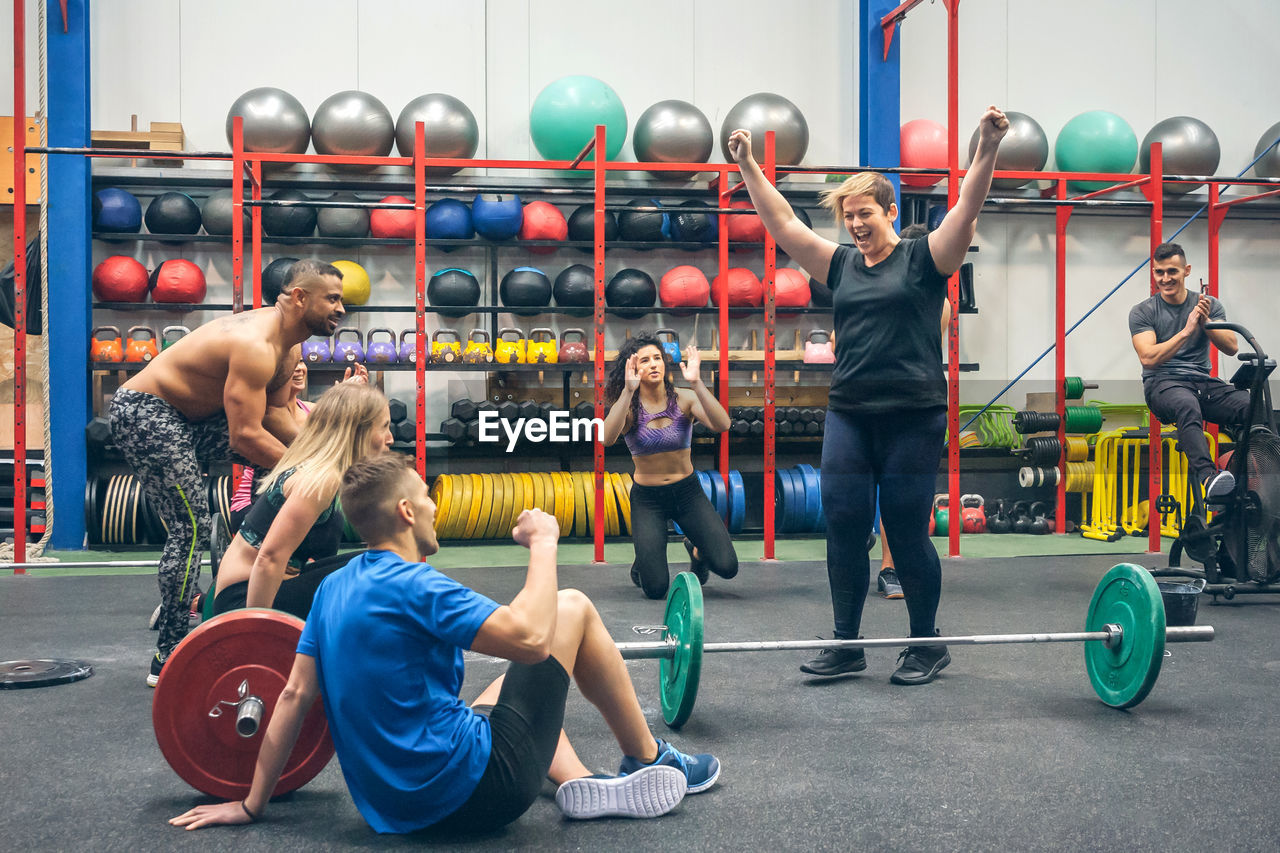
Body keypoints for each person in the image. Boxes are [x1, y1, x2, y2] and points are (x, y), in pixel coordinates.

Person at [170, 453, 719, 835]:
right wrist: (544, 542)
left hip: (394, 809)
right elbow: (530, 639)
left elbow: (291, 697)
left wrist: (250, 802)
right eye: (427, 497)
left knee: (496, 693)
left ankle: (581, 785)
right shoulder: (418, 585)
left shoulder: (333, 587)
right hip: (477, 793)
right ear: (406, 512)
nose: (434, 506)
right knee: (571, 607)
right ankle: (647, 759)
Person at [725, 106, 1008, 685]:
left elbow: (968, 207)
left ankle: (926, 644)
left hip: (914, 416)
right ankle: (846, 642)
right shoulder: (842, 265)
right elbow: (784, 226)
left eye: (864, 214)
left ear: (890, 212)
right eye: (847, 216)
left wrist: (986, 148)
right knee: (846, 524)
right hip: (850, 413)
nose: (854, 224)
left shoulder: (927, 258)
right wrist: (751, 167)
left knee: (905, 529)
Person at [110, 258, 349, 686]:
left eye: (341, 299)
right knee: (191, 528)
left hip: (194, 420)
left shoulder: (290, 347)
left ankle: (199, 593)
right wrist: (310, 475)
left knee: (302, 469)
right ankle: (168, 653)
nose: (341, 308)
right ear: (299, 297)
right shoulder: (256, 344)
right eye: (331, 298)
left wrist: (326, 458)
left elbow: (277, 416)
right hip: (146, 413)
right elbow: (244, 438)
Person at [210, 381, 393, 620]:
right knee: (380, 571)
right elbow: (268, 560)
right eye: (384, 427)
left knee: (384, 561)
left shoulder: (328, 473)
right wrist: (255, 630)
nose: (390, 437)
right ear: (358, 431)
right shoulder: (321, 479)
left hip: (269, 585)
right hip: (243, 598)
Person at [601, 333, 737, 600]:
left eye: (657, 358)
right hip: (648, 499)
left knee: (727, 566)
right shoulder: (629, 408)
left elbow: (723, 425)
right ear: (633, 368)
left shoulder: (685, 399)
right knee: (655, 589)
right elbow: (605, 439)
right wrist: (627, 392)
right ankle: (645, 556)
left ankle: (696, 551)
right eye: (645, 360)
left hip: (687, 494)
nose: (653, 364)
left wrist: (698, 384)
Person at [1128, 241, 1246, 502]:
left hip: (1203, 383)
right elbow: (1148, 358)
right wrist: (1186, 330)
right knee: (1186, 404)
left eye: (1172, 271)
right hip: (1162, 384)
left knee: (1252, 406)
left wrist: (1206, 323)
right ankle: (1209, 477)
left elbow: (1231, 347)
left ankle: (1254, 473)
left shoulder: (1209, 305)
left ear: (1187, 271)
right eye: (1159, 272)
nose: (1165, 278)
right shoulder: (1143, 312)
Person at [875, 223, 950, 600]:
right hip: (868, 405)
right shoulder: (877, 289)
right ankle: (887, 565)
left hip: (914, 406)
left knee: (905, 496)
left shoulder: (940, 301)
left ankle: (896, 566)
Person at [227, 359, 313, 537]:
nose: (298, 369)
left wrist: (350, 396)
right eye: (291, 366)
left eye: (301, 362)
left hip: (296, 498)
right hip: (253, 503)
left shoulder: (313, 411)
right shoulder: (264, 413)